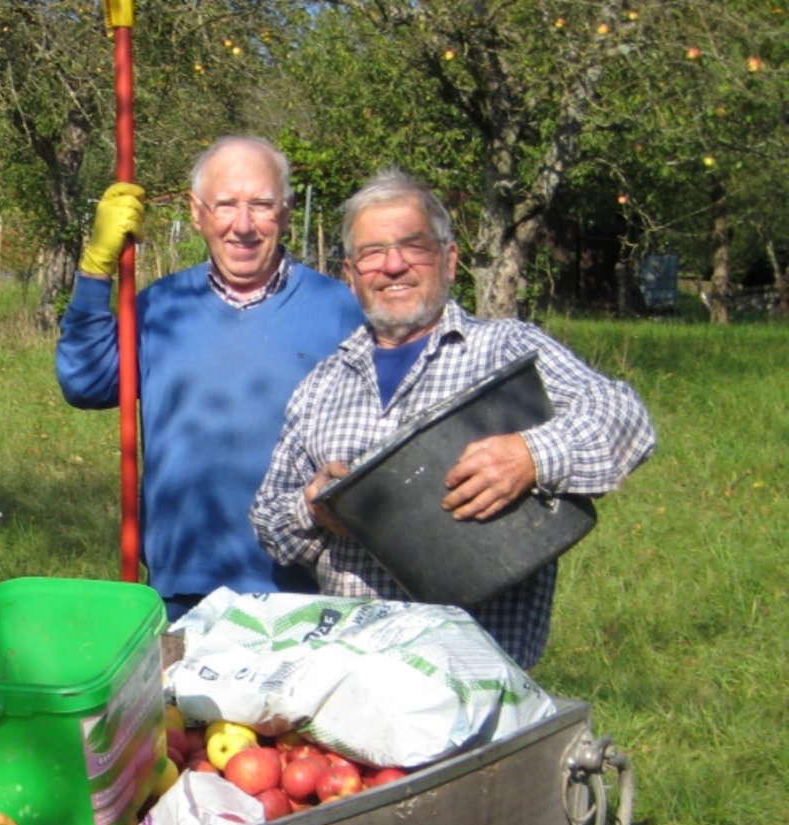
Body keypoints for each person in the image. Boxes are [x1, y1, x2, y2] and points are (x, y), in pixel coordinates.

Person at [250, 168, 656, 668]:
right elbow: (268, 519)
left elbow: (625, 416)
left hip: (478, 673)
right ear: (351, 275)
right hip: (353, 673)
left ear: (450, 259)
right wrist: (313, 507)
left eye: (414, 246)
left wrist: (531, 456)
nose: (393, 265)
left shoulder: (506, 350)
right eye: (372, 253)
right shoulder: (322, 384)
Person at [56, 136, 365, 618]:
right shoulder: (161, 307)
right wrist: (96, 270)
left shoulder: (340, 310)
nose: (243, 226)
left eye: (261, 205)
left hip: (304, 585)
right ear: (197, 213)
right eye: (225, 205)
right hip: (183, 585)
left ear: (285, 212)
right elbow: (85, 381)